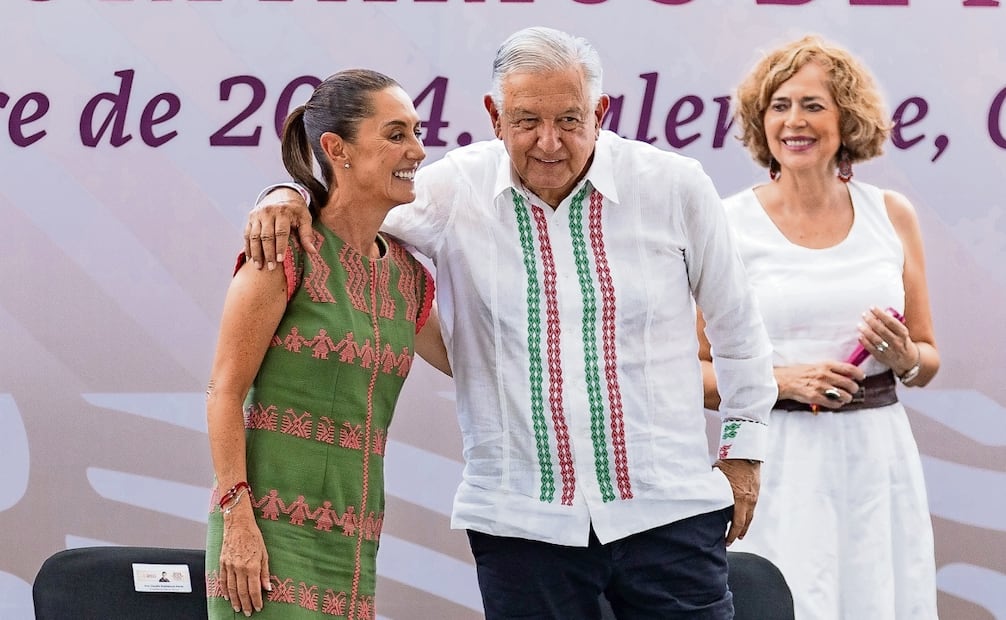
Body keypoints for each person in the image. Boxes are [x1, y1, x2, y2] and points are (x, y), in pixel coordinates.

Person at [247, 27, 777, 619]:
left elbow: (738, 329)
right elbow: (347, 206)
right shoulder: (452, 190)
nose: (548, 143)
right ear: (494, 116)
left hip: (668, 512)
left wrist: (743, 456)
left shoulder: (674, 187)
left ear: (600, 112)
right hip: (520, 525)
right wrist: (283, 194)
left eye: (570, 121)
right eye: (526, 121)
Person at [697, 35, 940, 619]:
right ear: (761, 121)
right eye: (779, 105)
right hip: (775, 461)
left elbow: (928, 359)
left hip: (877, 461)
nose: (794, 121)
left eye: (813, 105)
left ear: (846, 121)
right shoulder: (727, 223)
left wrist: (905, 355)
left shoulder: (891, 214)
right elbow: (692, 371)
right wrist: (780, 380)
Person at [204, 68, 450, 619]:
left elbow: (472, 362)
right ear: (337, 148)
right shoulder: (283, 252)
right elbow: (223, 391)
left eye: (415, 130)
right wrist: (236, 520)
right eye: (396, 135)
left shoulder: (407, 277)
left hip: (353, 544)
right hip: (263, 541)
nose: (418, 148)